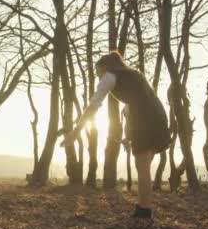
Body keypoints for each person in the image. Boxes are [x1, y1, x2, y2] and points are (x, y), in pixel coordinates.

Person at [62, 52, 171, 219]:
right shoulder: (134, 76)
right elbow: (131, 109)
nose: (99, 78)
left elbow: (93, 106)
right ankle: (143, 209)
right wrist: (129, 136)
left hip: (146, 120)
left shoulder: (110, 76)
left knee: (142, 168)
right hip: (158, 117)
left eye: (98, 73)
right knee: (144, 167)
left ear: (104, 67)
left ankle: (144, 212)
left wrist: (75, 132)